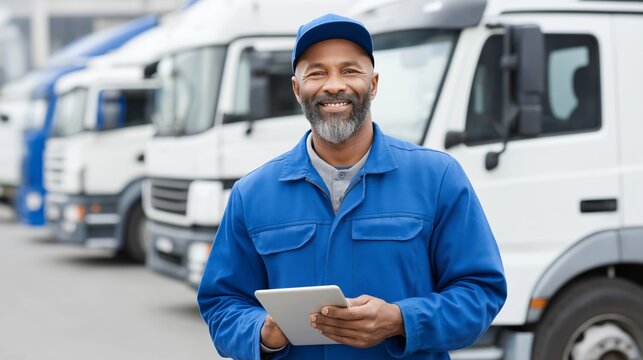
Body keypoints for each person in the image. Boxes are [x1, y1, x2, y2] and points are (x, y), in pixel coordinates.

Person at [197, 13, 507, 360]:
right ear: (297, 89)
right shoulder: (252, 194)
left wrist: (400, 319)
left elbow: (481, 292)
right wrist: (264, 332)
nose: (333, 85)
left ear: (373, 84)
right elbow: (221, 304)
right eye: (317, 72)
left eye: (349, 70)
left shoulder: (437, 178)